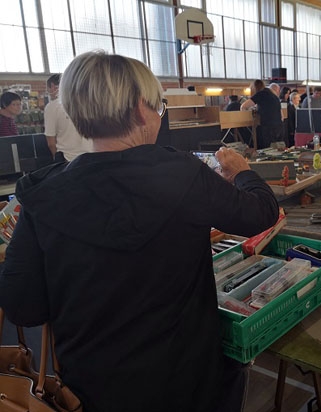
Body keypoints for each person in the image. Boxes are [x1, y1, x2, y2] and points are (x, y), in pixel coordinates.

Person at [0, 50, 279, 412]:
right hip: (186, 378)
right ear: (138, 109)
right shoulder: (181, 175)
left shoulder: (43, 194)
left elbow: (23, 305)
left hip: (92, 386)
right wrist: (243, 172)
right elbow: (261, 213)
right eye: (159, 107)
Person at [44, 74, 93, 161]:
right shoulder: (89, 103)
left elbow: (51, 143)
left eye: (47, 89)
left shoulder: (52, 107)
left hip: (68, 159)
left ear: (52, 86)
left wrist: (58, 160)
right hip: (92, 156)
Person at [241, 79, 283, 149]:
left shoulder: (260, 94)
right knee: (277, 150)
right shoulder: (273, 94)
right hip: (279, 127)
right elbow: (282, 116)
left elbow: (243, 106)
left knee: (267, 151)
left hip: (268, 128)